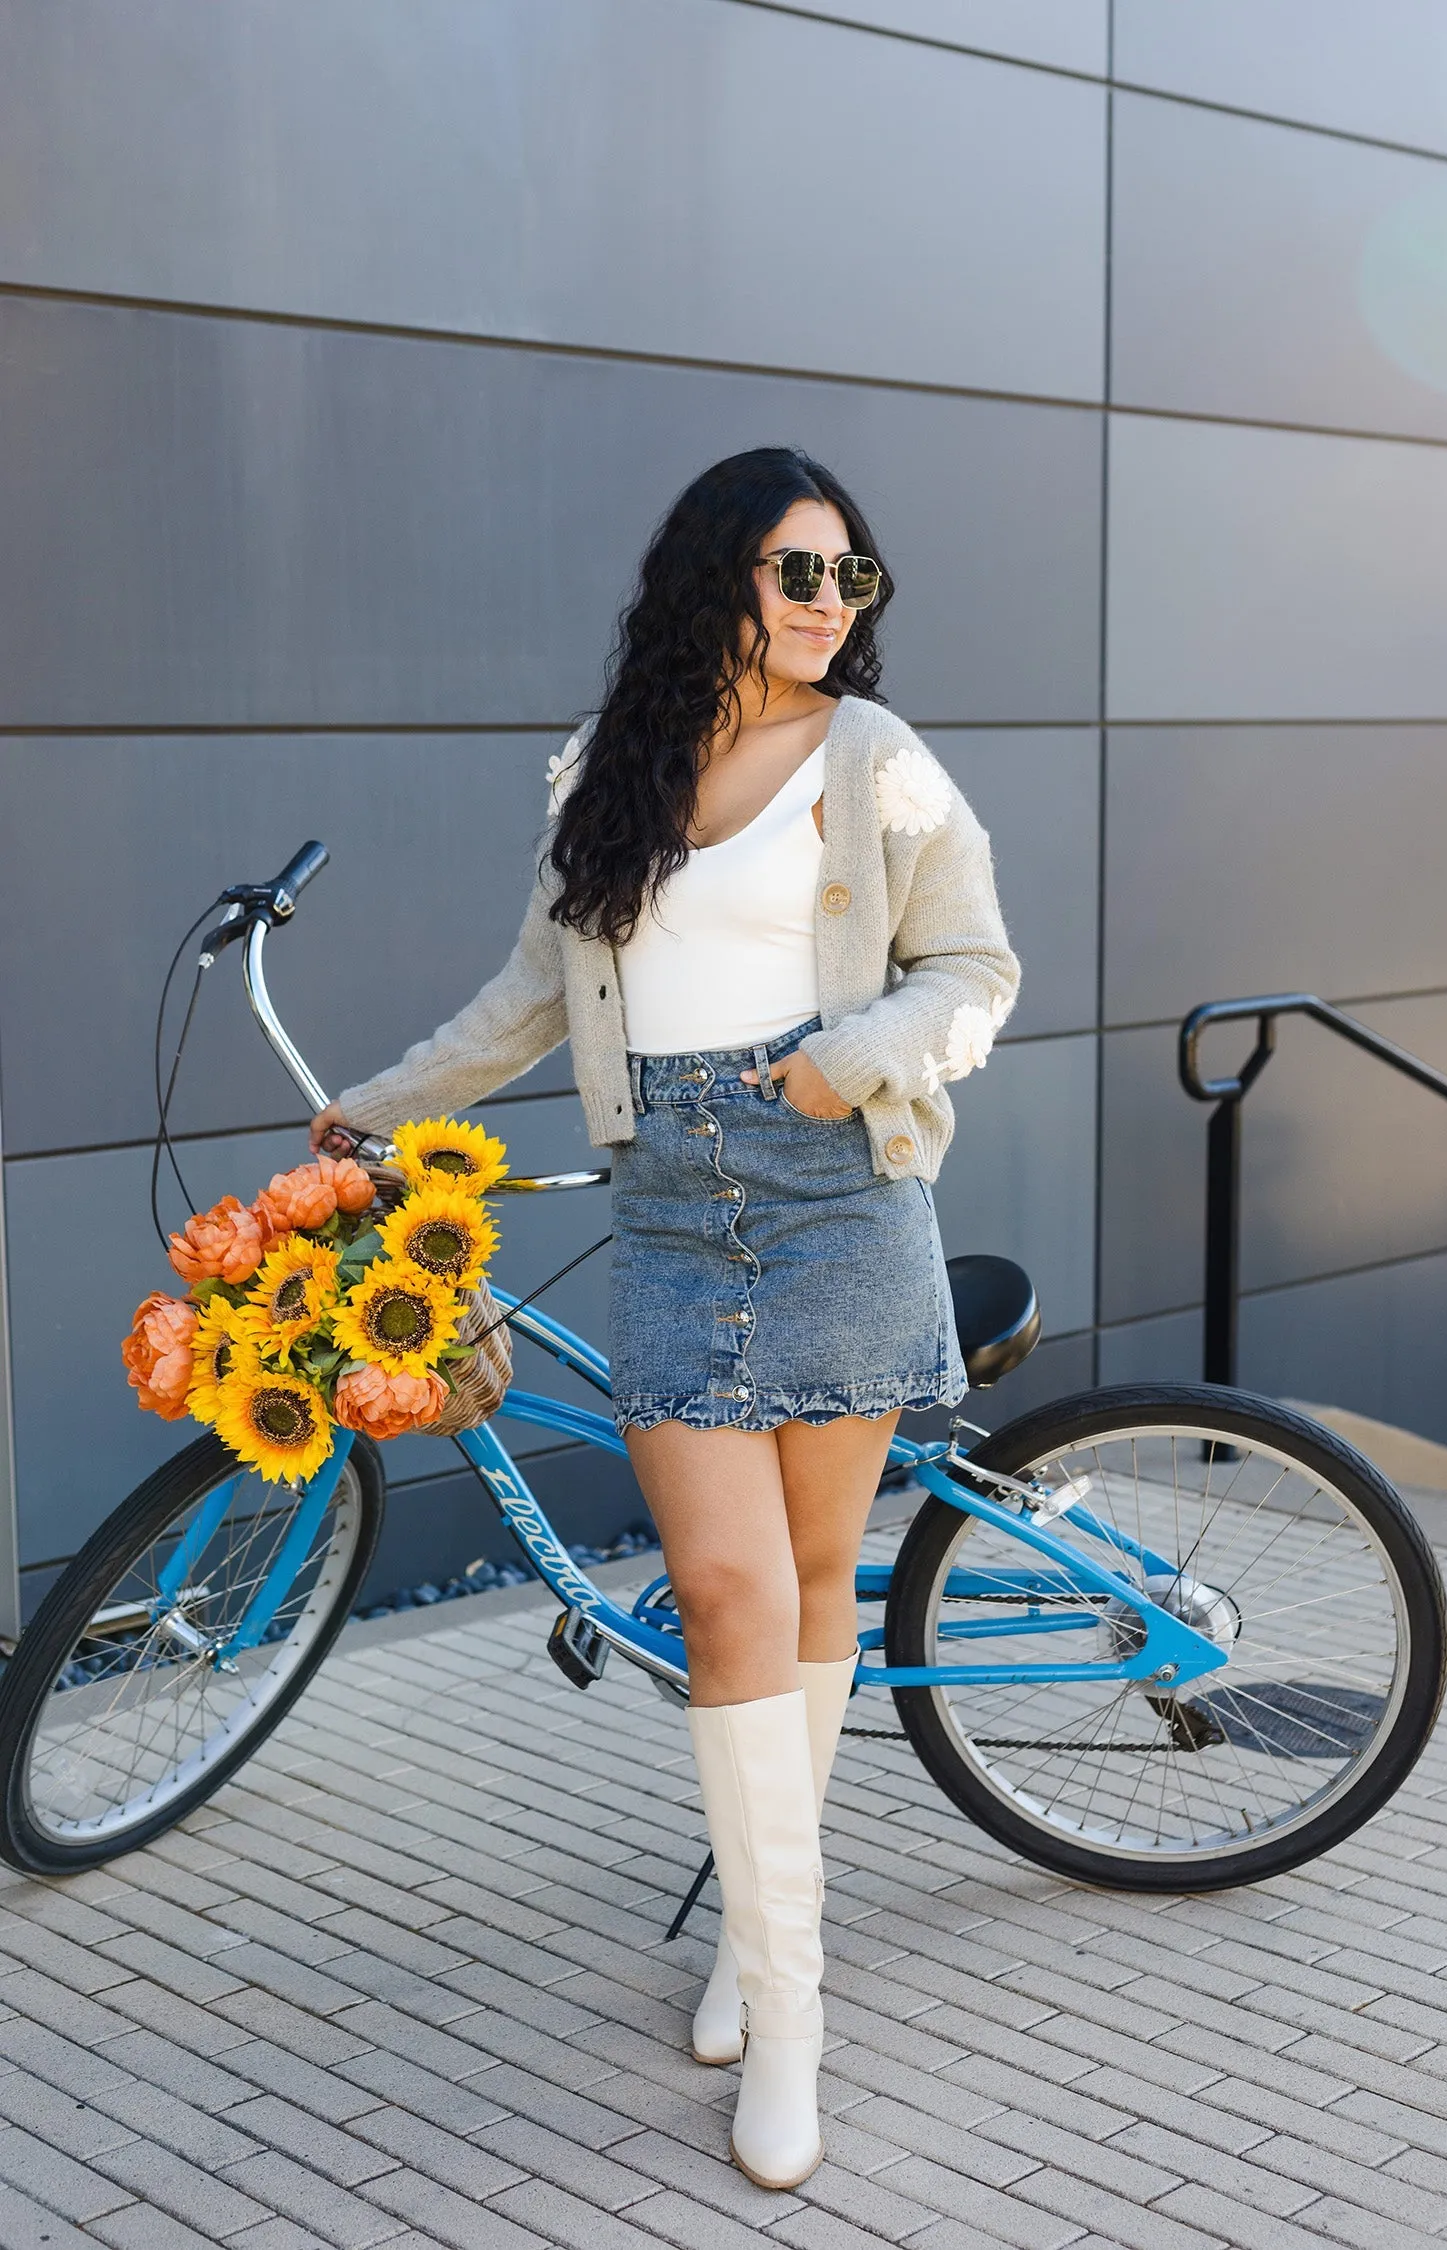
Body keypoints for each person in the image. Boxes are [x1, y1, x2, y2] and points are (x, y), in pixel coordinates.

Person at [311, 446, 1019, 2189]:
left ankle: (782, 1989)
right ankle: (775, 1973)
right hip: (673, 1215)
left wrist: (855, 1059)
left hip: (841, 1190)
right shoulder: (605, 774)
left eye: (854, 580)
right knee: (723, 1592)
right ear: (718, 575)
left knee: (812, 1584)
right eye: (799, 572)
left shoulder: (880, 762)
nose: (828, 607)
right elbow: (526, 1001)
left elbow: (975, 971)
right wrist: (378, 1108)